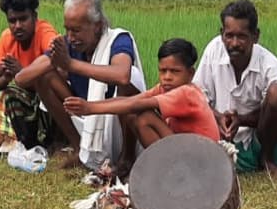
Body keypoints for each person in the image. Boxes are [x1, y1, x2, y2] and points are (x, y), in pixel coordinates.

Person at [16, 0, 144, 170]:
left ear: (97, 26)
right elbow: (22, 79)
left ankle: (126, 158)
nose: (70, 37)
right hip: (85, 117)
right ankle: (79, 148)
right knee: (45, 77)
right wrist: (54, 60)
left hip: (115, 122)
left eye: (76, 30)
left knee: (132, 79)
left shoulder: (117, 39)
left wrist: (70, 64)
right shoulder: (68, 44)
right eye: (67, 29)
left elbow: (122, 75)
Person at [64, 38, 219, 177]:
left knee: (144, 117)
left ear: (190, 73)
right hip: (187, 152)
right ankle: (153, 167)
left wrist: (90, 108)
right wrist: (89, 106)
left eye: (175, 71)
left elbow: (134, 104)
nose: (167, 77)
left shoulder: (187, 93)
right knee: (133, 115)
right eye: (163, 71)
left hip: (201, 162)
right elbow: (130, 100)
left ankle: (166, 172)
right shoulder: (165, 88)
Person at [193, 0, 277, 177]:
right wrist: (219, 118)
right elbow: (198, 96)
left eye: (241, 36)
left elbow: (274, 113)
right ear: (221, 33)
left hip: (261, 138)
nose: (234, 43)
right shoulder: (213, 49)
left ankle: (267, 159)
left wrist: (241, 120)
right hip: (223, 135)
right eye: (229, 35)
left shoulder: (273, 69)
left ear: (255, 36)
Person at [0, 0, 59, 147]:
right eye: (12, 21)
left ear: (34, 17)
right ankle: (9, 142)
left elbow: (58, 74)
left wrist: (22, 73)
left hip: (49, 100)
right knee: (0, 97)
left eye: (23, 19)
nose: (17, 26)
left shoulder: (45, 33)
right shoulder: (7, 38)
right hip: (27, 100)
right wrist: (6, 78)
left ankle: (51, 139)